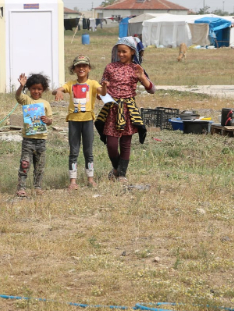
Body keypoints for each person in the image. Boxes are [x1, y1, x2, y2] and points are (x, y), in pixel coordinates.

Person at [95, 37, 154, 182]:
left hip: (128, 110)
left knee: (126, 143)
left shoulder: (136, 69)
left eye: (124, 51)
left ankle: (121, 174)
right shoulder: (110, 67)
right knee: (112, 144)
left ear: (132, 52)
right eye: (118, 51)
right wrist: (101, 92)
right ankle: (116, 168)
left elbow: (152, 90)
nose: (120, 54)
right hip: (112, 109)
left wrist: (142, 77)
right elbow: (101, 93)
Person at [53, 55, 105, 190]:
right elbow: (59, 89)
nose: (81, 68)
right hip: (73, 121)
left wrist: (105, 87)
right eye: (78, 66)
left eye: (84, 66)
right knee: (74, 151)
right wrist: (58, 91)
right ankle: (73, 181)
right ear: (74, 69)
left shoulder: (93, 84)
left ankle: (90, 178)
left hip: (87, 121)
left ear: (89, 68)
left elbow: (102, 92)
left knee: (89, 151)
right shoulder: (71, 84)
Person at [14, 73, 52, 197]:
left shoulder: (45, 103)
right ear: (29, 88)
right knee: (25, 163)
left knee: (39, 166)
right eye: (34, 88)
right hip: (28, 140)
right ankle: (21, 187)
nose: (36, 91)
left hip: (41, 139)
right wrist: (21, 86)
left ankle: (38, 186)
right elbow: (18, 96)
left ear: (44, 89)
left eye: (39, 89)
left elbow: (50, 120)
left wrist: (47, 120)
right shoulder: (27, 100)